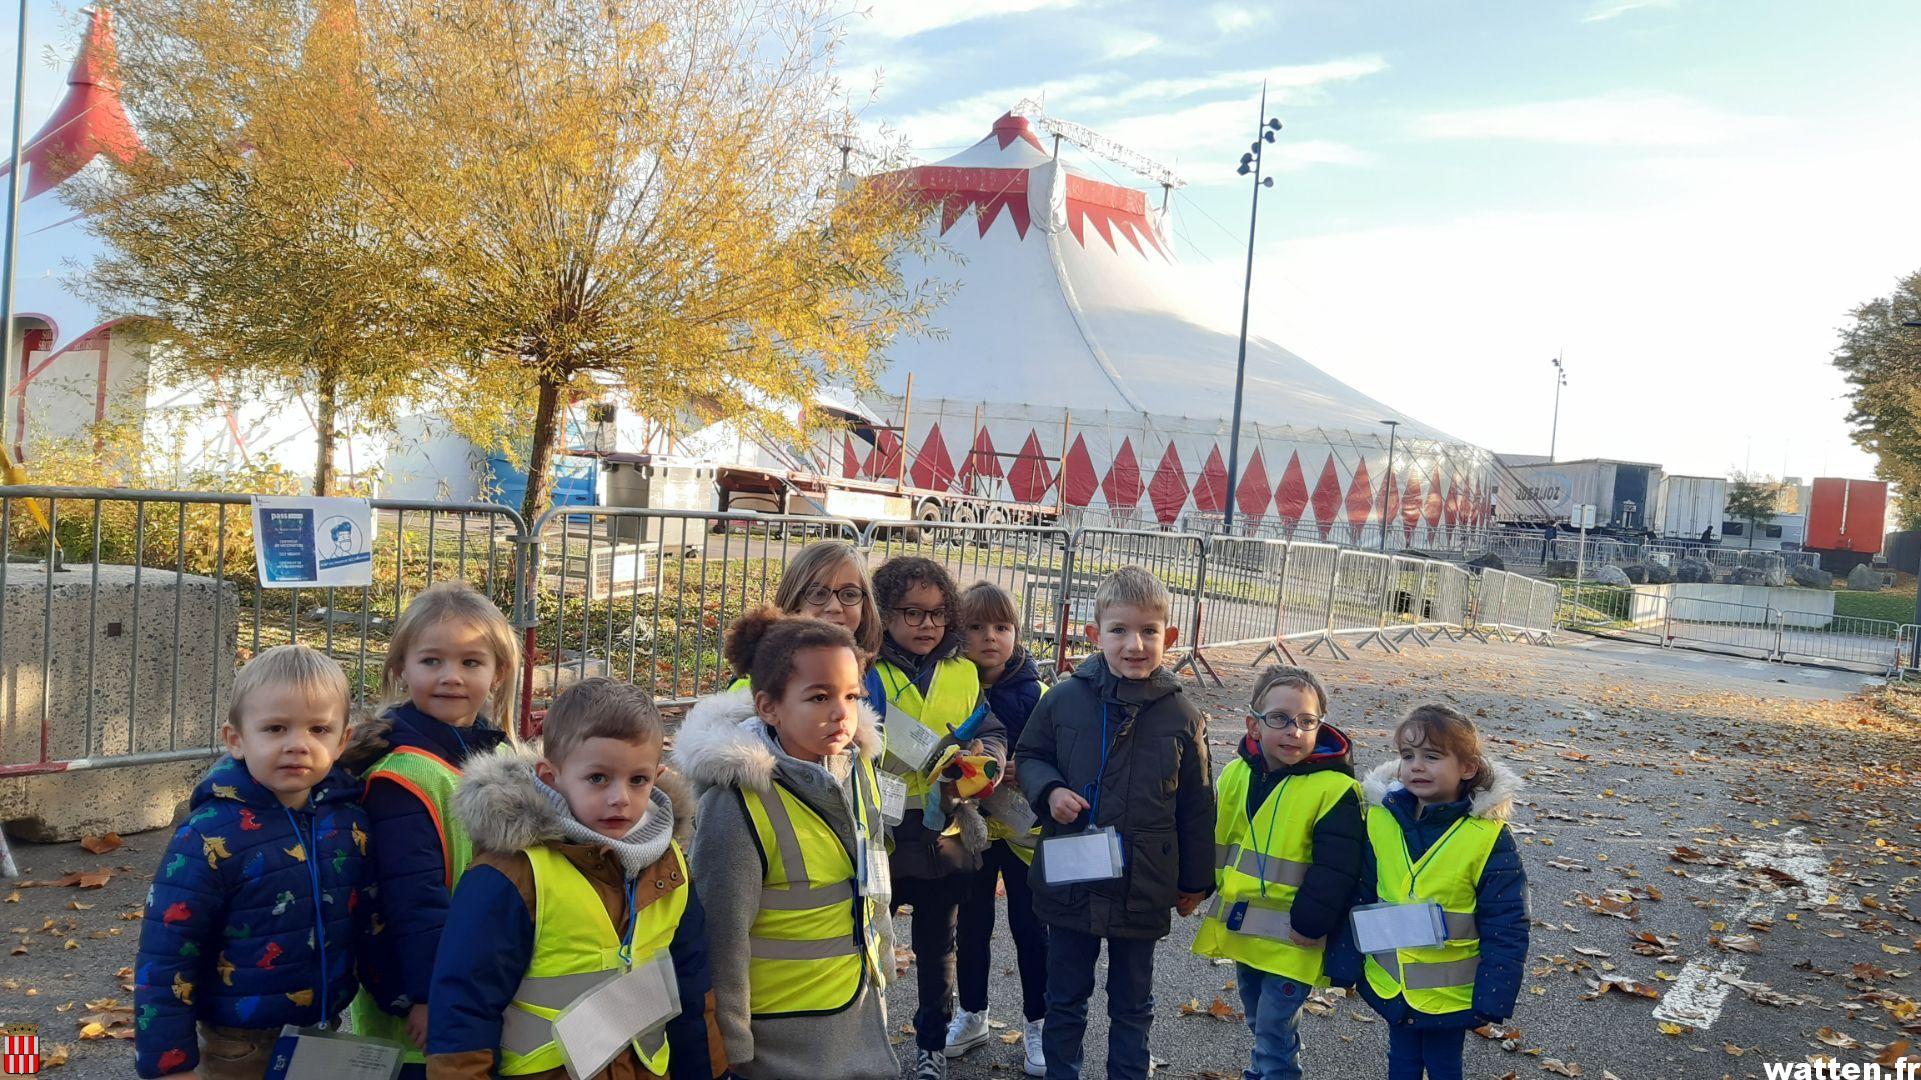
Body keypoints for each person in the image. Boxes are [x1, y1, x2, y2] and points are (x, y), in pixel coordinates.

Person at [424, 678, 724, 1079]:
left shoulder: (668, 865)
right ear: (551, 776)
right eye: (598, 778)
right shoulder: (511, 874)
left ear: (658, 774)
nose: (620, 798)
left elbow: (691, 985)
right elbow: (464, 1006)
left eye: (638, 780)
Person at [673, 609, 897, 1080]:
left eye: (851, 695)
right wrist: (729, 1041)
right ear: (768, 707)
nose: (841, 713)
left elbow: (872, 871)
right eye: (819, 697)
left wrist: (883, 960)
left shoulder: (856, 769)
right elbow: (722, 933)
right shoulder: (737, 804)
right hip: (781, 1034)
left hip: (852, 1006)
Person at [134, 645, 371, 1079]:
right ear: (237, 740)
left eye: (318, 729)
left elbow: (371, 920)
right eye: (276, 728)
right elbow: (166, 954)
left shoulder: (348, 818)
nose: (298, 745)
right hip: (239, 1044)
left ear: (342, 741)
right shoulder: (209, 832)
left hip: (322, 1031)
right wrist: (169, 1063)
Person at [1016, 566, 1214, 1080]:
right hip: (1072, 877)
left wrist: (1194, 880)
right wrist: (1049, 790)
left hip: (1142, 882)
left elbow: (1197, 805)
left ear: (1169, 637)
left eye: (1149, 631)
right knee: (1065, 997)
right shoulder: (1063, 698)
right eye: (1119, 630)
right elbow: (1031, 754)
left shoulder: (1182, 715)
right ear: (1094, 635)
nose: (1135, 644)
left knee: (1133, 1002)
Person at [344, 581, 523, 1075]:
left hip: (480, 977)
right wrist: (423, 996)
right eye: (432, 661)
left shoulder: (500, 754)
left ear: (498, 671)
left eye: (470, 662)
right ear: (401, 668)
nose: (451, 677)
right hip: (424, 994)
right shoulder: (400, 774)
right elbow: (410, 898)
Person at [1328, 705, 1529, 1080]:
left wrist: (1494, 993)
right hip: (1394, 982)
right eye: (1408, 756)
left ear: (1467, 768)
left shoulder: (1487, 837)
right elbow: (1362, 895)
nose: (1416, 766)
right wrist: (1345, 962)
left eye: (1432, 757)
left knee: (1443, 1064)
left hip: (1450, 988)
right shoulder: (1382, 820)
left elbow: (1507, 921)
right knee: (1400, 1059)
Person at [866, 555, 1007, 1080]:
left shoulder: (964, 671)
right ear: (884, 613)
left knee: (936, 945)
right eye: (911, 613)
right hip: (877, 828)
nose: (926, 625)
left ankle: (930, 1044)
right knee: (870, 940)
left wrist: (986, 758)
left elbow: (990, 729)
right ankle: (869, 1041)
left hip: (941, 829)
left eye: (937, 613)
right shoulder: (864, 670)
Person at [1191, 665, 1363, 1080]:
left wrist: (1312, 923)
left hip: (1295, 936)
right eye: (1280, 719)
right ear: (1253, 725)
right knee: (1257, 1016)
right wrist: (1194, 886)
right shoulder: (1236, 775)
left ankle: (1275, 1074)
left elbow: (1336, 868)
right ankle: (1263, 1071)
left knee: (1273, 1024)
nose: (1294, 731)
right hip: (1246, 928)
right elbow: (1216, 839)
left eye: (1307, 722)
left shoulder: (1334, 790)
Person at [947, 581, 1049, 1076]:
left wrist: (1023, 768)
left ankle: (1039, 1021)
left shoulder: (1040, 693)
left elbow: (1059, 755)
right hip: (971, 830)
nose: (991, 637)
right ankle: (972, 1013)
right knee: (971, 926)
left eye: (1002, 627)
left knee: (1032, 928)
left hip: (1025, 833)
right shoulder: (951, 684)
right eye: (976, 626)